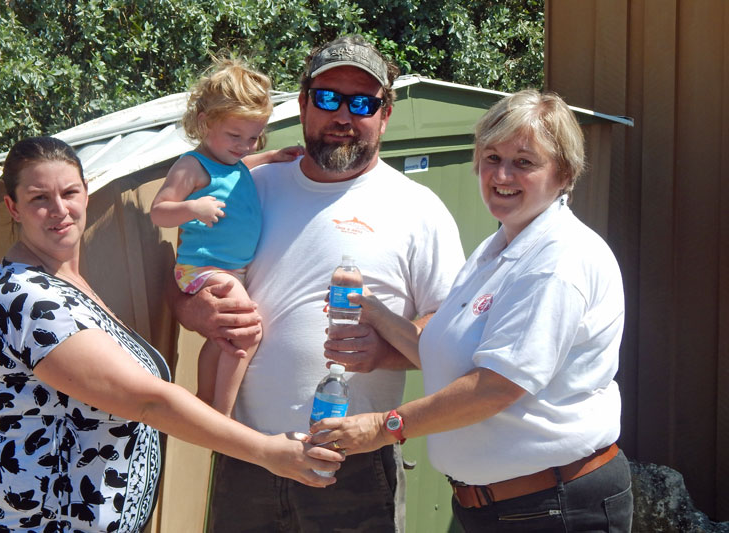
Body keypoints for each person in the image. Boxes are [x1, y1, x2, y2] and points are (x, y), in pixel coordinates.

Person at [0, 136, 343, 532]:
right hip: (39, 522)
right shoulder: (32, 300)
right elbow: (146, 402)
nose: (60, 210)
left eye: (69, 192)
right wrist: (265, 451)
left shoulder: (67, 282)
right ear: (13, 208)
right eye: (40, 198)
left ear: (86, 194)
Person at [171, 35, 465, 532]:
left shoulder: (419, 209)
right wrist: (198, 312)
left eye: (363, 103)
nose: (343, 116)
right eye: (328, 98)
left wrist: (384, 352)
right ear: (304, 104)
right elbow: (184, 282)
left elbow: (451, 333)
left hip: (353, 464)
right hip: (247, 456)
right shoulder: (249, 187)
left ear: (385, 114)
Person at [311, 89, 634, 532]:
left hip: (553, 507)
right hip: (503, 505)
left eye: (524, 162)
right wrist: (375, 312)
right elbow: (444, 352)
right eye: (491, 156)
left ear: (564, 174)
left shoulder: (557, 260)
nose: (501, 174)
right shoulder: (499, 245)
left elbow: (496, 386)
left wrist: (383, 427)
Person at [150, 58, 302, 416]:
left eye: (253, 138)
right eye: (235, 136)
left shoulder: (231, 162)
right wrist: (193, 209)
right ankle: (223, 412)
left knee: (221, 339)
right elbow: (158, 210)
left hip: (230, 270)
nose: (244, 146)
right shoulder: (191, 166)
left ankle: (203, 399)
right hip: (200, 267)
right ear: (205, 123)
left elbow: (239, 168)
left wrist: (272, 156)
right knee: (247, 330)